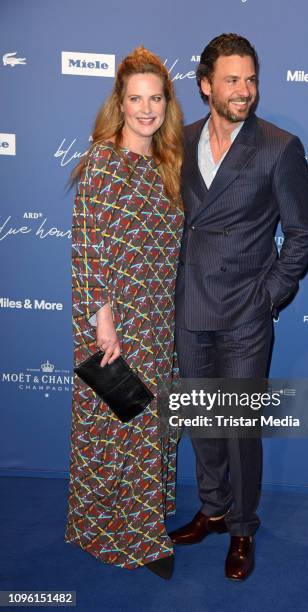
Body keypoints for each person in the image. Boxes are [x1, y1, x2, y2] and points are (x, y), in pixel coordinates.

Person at [170, 33, 308, 581]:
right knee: (201, 420)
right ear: (206, 84)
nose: (245, 91)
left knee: (238, 428)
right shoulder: (179, 141)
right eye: (232, 80)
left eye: (251, 79)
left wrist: (266, 297)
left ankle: (242, 527)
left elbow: (301, 235)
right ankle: (211, 508)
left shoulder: (279, 147)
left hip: (244, 315)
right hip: (189, 308)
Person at [65, 46, 184, 580]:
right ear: (120, 101)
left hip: (160, 317)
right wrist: (101, 319)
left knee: (151, 420)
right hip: (117, 319)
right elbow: (89, 247)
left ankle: (143, 519)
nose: (146, 108)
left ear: (167, 103)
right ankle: (133, 540)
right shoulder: (101, 162)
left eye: (155, 98)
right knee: (124, 422)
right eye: (135, 98)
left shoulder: (166, 165)